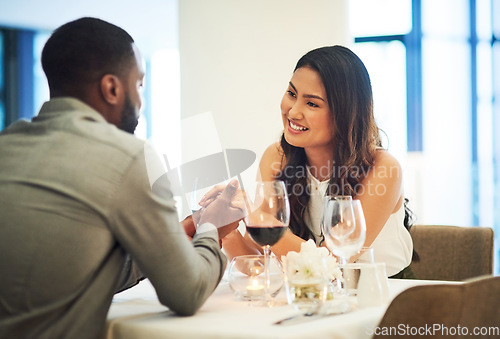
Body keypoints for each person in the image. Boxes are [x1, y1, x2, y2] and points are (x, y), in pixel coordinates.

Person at [0, 17, 244, 339]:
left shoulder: (7, 144)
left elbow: (74, 271)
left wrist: (179, 233)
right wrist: (211, 227)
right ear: (112, 88)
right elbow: (187, 293)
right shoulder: (128, 156)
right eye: (139, 84)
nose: (141, 100)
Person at [217, 45, 415, 278]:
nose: (292, 112)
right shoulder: (276, 157)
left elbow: (330, 263)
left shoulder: (383, 168)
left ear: (345, 114)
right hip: (317, 294)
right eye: (292, 94)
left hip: (385, 295)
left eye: (312, 103)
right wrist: (225, 226)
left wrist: (256, 215)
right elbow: (258, 264)